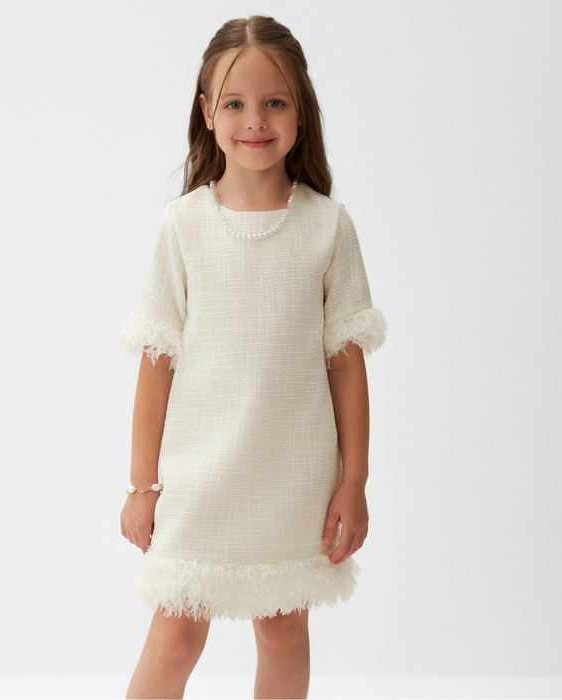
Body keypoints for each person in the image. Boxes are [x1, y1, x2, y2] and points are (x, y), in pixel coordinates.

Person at [118, 15, 386, 699]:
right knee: (176, 637)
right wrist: (142, 487)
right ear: (207, 113)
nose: (255, 120)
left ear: (301, 111)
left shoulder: (327, 226)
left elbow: (346, 365)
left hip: (292, 480)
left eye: (274, 102)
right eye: (234, 103)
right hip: (199, 481)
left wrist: (354, 481)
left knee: (282, 632)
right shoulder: (183, 226)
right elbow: (156, 363)